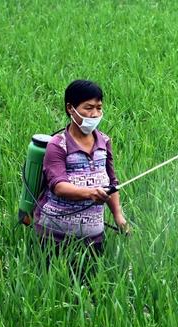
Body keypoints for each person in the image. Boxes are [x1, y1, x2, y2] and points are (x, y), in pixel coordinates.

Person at [34, 79, 128, 277]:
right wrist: (90, 193)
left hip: (93, 236)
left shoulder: (104, 141)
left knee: (92, 287)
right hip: (56, 235)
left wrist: (118, 216)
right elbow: (58, 186)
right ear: (71, 108)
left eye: (99, 108)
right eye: (88, 108)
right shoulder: (58, 145)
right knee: (55, 289)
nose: (94, 114)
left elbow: (112, 182)